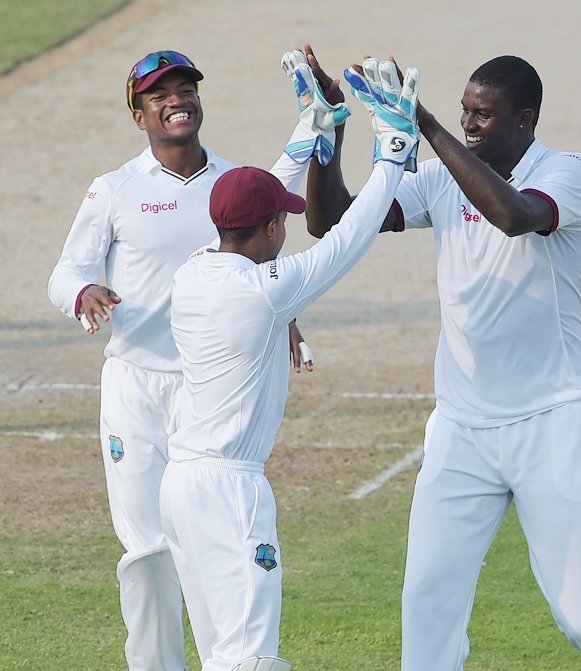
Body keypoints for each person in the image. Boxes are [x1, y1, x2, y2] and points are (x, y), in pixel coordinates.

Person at [303, 48, 581, 671]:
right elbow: (332, 221)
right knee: (427, 599)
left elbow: (516, 217)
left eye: (483, 116)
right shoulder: (444, 175)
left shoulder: (568, 171)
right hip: (462, 427)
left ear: (525, 119)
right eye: (466, 112)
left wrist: (427, 125)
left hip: (552, 420)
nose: (470, 124)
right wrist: (329, 127)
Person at [46, 50, 314, 670]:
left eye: (186, 88)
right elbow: (66, 273)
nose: (177, 101)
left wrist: (286, 316)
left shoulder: (231, 182)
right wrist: (82, 293)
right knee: (147, 551)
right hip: (136, 388)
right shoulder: (114, 189)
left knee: (207, 549)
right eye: (160, 94)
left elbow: (256, 261)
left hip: (207, 393)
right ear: (139, 113)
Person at [162, 59, 417, 670]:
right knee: (248, 657)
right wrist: (392, 154)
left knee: (224, 652)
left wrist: (311, 131)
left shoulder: (196, 267)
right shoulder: (266, 289)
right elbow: (347, 240)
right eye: (281, 218)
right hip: (232, 490)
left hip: (181, 486)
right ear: (273, 227)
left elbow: (248, 198)